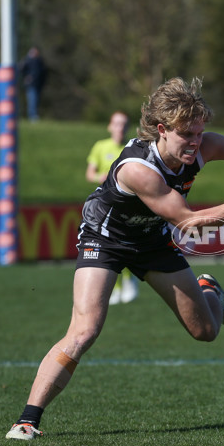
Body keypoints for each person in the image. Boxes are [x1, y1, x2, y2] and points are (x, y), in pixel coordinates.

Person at [5, 76, 224, 440]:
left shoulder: (201, 146)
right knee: (85, 329)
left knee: (206, 331)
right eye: (186, 134)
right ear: (162, 130)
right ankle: (27, 420)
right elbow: (190, 222)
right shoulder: (138, 169)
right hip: (105, 239)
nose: (195, 142)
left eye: (199, 132)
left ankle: (208, 286)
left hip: (152, 241)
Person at [85, 111, 140, 304]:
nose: (120, 128)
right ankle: (115, 288)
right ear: (110, 126)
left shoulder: (133, 146)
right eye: (116, 124)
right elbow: (89, 174)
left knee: (124, 243)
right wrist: (100, 176)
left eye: (124, 124)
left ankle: (128, 279)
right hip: (104, 205)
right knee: (108, 247)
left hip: (129, 205)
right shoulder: (101, 146)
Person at [19, 46, 46, 121]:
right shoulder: (27, 60)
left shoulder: (39, 61)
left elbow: (43, 72)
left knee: (36, 100)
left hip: (38, 84)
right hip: (31, 84)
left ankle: (33, 115)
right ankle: (32, 116)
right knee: (32, 100)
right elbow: (21, 69)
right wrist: (26, 77)